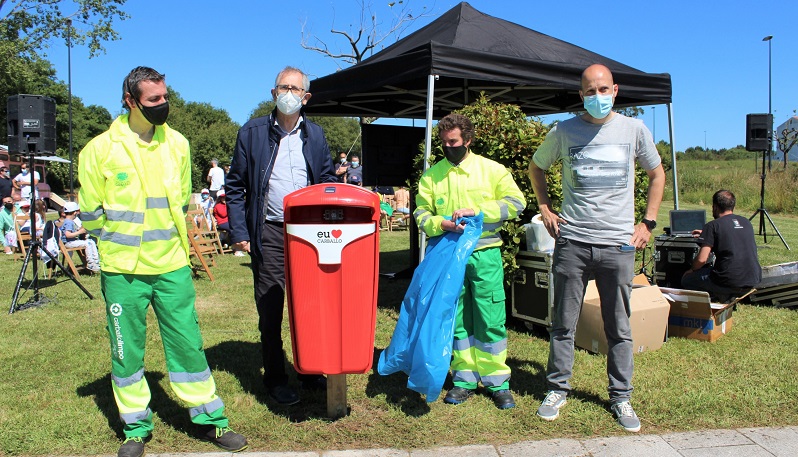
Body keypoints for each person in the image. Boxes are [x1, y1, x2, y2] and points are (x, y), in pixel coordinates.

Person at [78, 66, 247, 457]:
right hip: (123, 270)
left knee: (188, 345)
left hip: (171, 264)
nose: (163, 104)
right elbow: (89, 213)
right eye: (154, 99)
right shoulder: (99, 149)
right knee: (126, 351)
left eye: (165, 96)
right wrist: (112, 244)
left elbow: (182, 199)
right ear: (130, 101)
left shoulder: (180, 145)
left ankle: (212, 421)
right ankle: (135, 428)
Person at [528, 64, 665, 433]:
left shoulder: (634, 130)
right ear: (580, 94)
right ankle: (558, 389)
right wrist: (544, 208)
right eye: (590, 91)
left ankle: (621, 396)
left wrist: (647, 223)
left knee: (619, 326)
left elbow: (657, 174)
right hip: (572, 242)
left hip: (618, 245)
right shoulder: (564, 130)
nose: (597, 96)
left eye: (603, 89)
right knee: (563, 323)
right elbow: (536, 167)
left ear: (615, 90)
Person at [226, 66, 337, 406]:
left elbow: (327, 181)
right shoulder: (253, 132)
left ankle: (309, 368)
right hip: (270, 230)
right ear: (273, 92)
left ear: (306, 97)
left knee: (311, 305)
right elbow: (235, 186)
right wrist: (240, 231)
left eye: (295, 88)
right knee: (271, 306)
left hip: (308, 233)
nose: (288, 93)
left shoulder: (315, 135)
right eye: (282, 87)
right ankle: (275, 378)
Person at [415, 113, 526, 410]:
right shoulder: (432, 176)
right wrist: (441, 224)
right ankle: (463, 379)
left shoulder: (493, 170)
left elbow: (517, 203)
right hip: (448, 257)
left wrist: (478, 211)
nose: (448, 147)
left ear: (468, 140)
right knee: (458, 318)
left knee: (491, 317)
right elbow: (421, 214)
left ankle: (497, 382)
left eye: (453, 142)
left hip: (485, 254)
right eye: (443, 142)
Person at [682, 190, 761, 301]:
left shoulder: (713, 225)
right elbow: (731, 235)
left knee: (687, 280)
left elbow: (702, 260)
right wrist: (707, 235)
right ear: (733, 205)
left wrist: (691, 270)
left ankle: (720, 296)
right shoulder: (746, 222)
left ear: (715, 207)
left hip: (728, 281)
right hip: (752, 280)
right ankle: (727, 295)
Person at [60, 201, 100, 272]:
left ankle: (95, 262)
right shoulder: (69, 222)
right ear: (74, 212)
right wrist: (79, 232)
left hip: (71, 242)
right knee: (89, 243)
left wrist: (80, 229)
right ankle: (91, 263)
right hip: (69, 243)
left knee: (90, 242)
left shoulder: (69, 221)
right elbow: (68, 235)